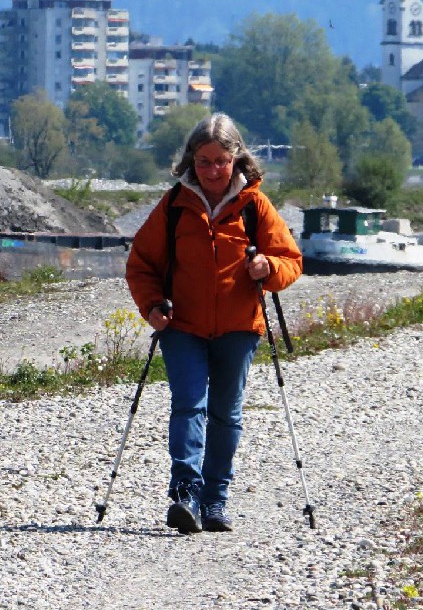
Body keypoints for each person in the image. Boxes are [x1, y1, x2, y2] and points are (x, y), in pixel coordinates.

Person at [125, 112, 301, 534]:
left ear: (237, 159)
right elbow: (141, 264)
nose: (212, 170)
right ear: (190, 161)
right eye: (203, 161)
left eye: (220, 160)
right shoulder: (173, 206)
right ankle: (185, 492)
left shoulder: (255, 206)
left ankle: (215, 500)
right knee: (189, 405)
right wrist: (151, 306)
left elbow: (291, 262)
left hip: (239, 328)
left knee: (226, 414)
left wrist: (267, 267)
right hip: (181, 326)